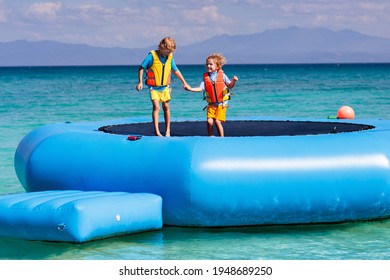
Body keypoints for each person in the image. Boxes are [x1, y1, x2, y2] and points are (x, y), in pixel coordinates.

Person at [136, 37, 189, 137]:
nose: (169, 53)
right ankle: (157, 131)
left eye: (171, 51)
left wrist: (184, 83)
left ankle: (167, 130)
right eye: (167, 51)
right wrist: (140, 82)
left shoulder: (170, 57)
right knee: (156, 107)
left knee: (166, 107)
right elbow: (141, 67)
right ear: (161, 47)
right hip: (154, 88)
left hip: (165, 87)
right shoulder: (152, 55)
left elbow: (175, 70)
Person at [186, 53, 238, 137]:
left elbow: (230, 85)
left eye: (211, 64)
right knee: (209, 122)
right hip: (211, 105)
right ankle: (211, 136)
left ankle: (222, 138)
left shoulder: (222, 75)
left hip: (222, 104)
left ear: (217, 66)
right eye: (207, 64)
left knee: (217, 121)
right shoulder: (206, 78)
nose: (208, 66)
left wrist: (234, 81)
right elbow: (200, 88)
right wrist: (190, 89)